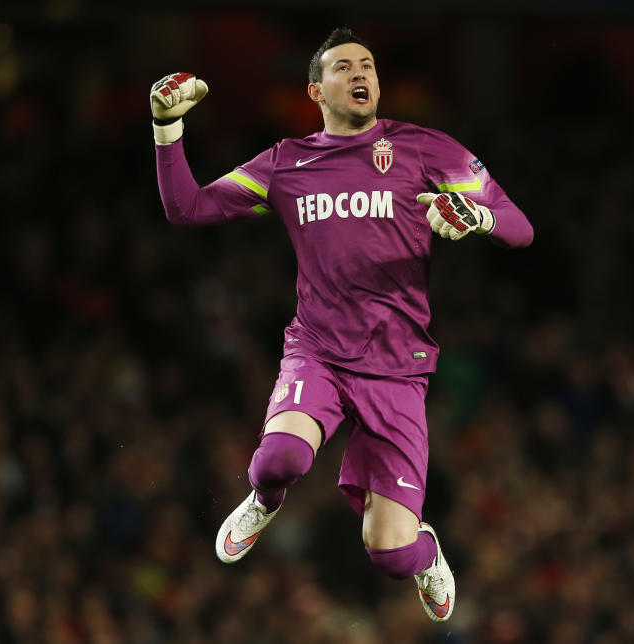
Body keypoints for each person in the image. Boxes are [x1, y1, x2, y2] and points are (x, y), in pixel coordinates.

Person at [149, 27, 533, 623]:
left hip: (398, 369)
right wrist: (166, 129)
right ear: (315, 89)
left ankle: (426, 552)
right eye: (345, 67)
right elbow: (187, 207)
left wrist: (476, 217)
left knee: (390, 553)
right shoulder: (286, 163)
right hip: (319, 352)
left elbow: (520, 227)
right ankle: (263, 500)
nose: (361, 74)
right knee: (278, 461)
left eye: (369, 65)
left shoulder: (425, 149)